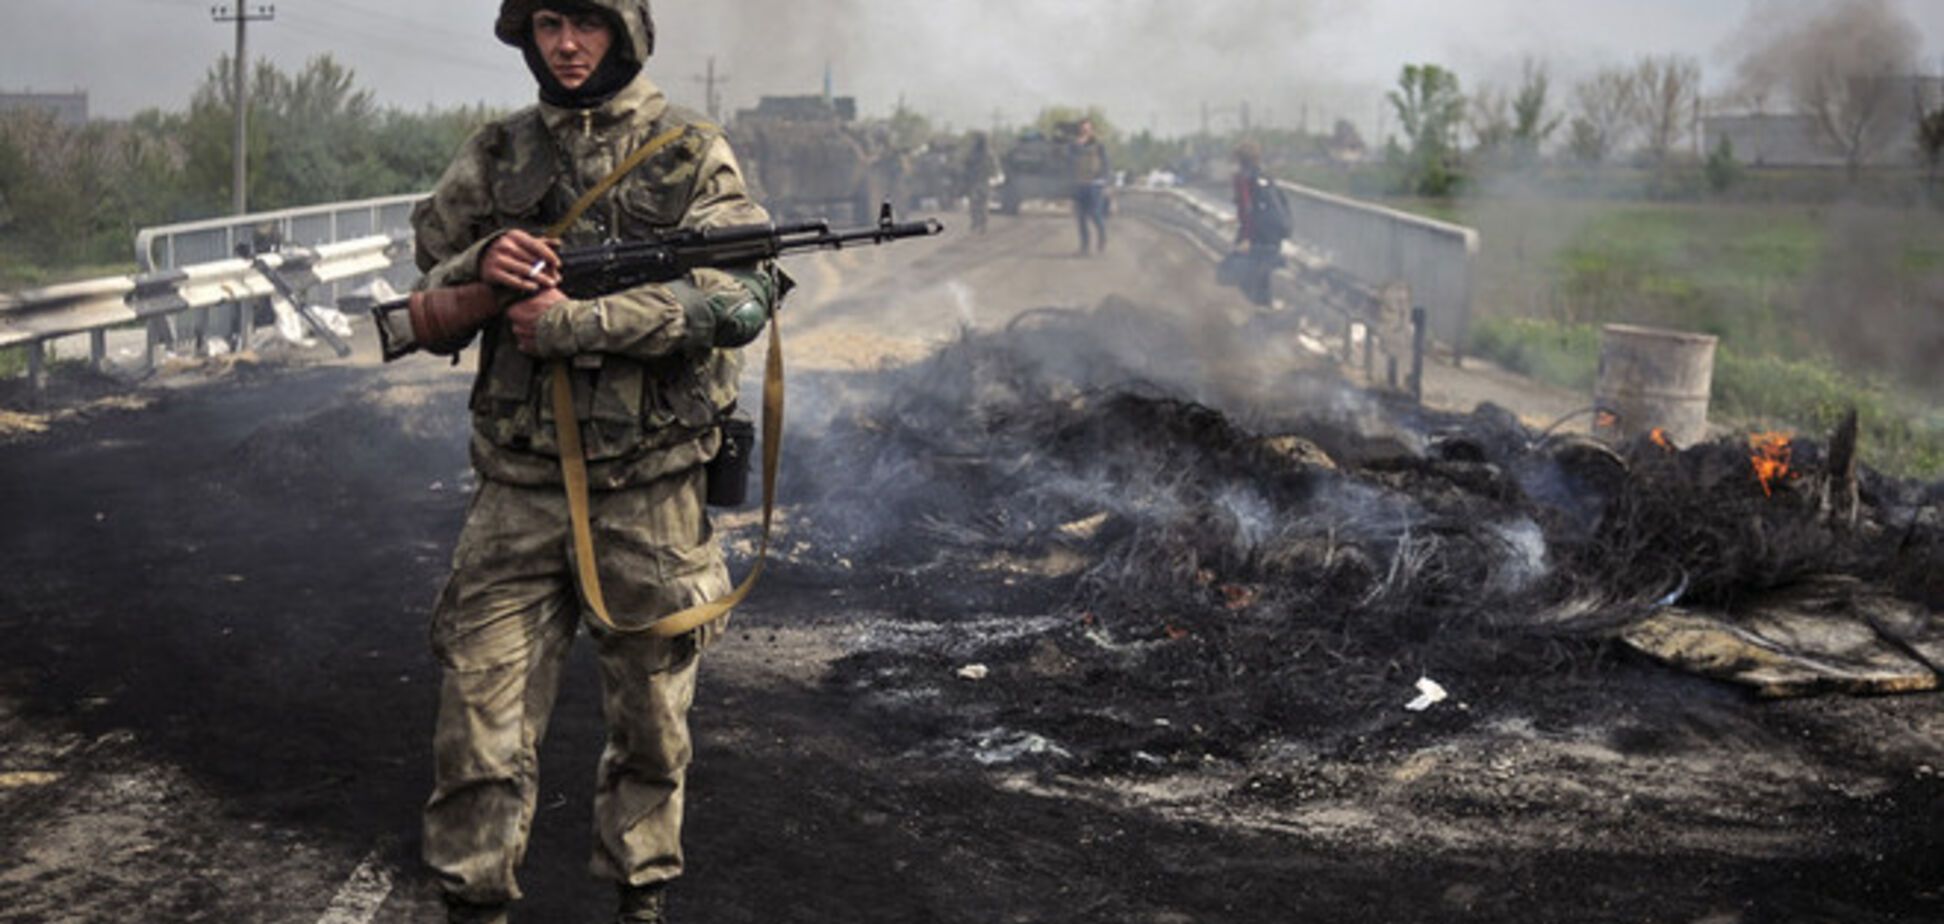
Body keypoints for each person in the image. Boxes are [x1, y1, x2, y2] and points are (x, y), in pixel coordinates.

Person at [408, 2, 780, 922]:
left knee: (652, 732)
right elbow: (424, 282)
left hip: (650, 491)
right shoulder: (496, 154)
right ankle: (474, 905)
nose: (566, 47)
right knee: (478, 732)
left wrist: (591, 319)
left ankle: (639, 902)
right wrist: (486, 260)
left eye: (586, 24)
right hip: (518, 490)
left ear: (625, 33)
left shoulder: (689, 149)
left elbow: (742, 294)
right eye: (546, 26)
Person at [1229, 140, 1288, 308]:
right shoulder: (1265, 177)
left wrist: (1246, 237)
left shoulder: (1243, 178)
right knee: (1262, 273)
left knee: (1239, 268)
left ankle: (1260, 310)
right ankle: (1265, 307)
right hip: (1273, 235)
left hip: (1255, 234)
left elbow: (1247, 208)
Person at [1069, 118, 1110, 255]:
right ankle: (1084, 246)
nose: (1085, 130)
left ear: (1091, 129)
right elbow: (1069, 162)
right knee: (1081, 217)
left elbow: (1105, 162)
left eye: (1087, 128)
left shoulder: (1098, 144)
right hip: (1079, 183)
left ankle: (1102, 236)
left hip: (1095, 183)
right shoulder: (1074, 145)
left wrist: (1105, 180)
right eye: (1082, 128)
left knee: (1095, 213)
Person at [960, 131, 999, 233]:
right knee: (982, 204)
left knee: (975, 204)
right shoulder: (989, 154)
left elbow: (965, 166)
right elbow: (994, 168)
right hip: (982, 182)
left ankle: (977, 223)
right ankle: (981, 224)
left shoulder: (972, 153)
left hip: (976, 182)